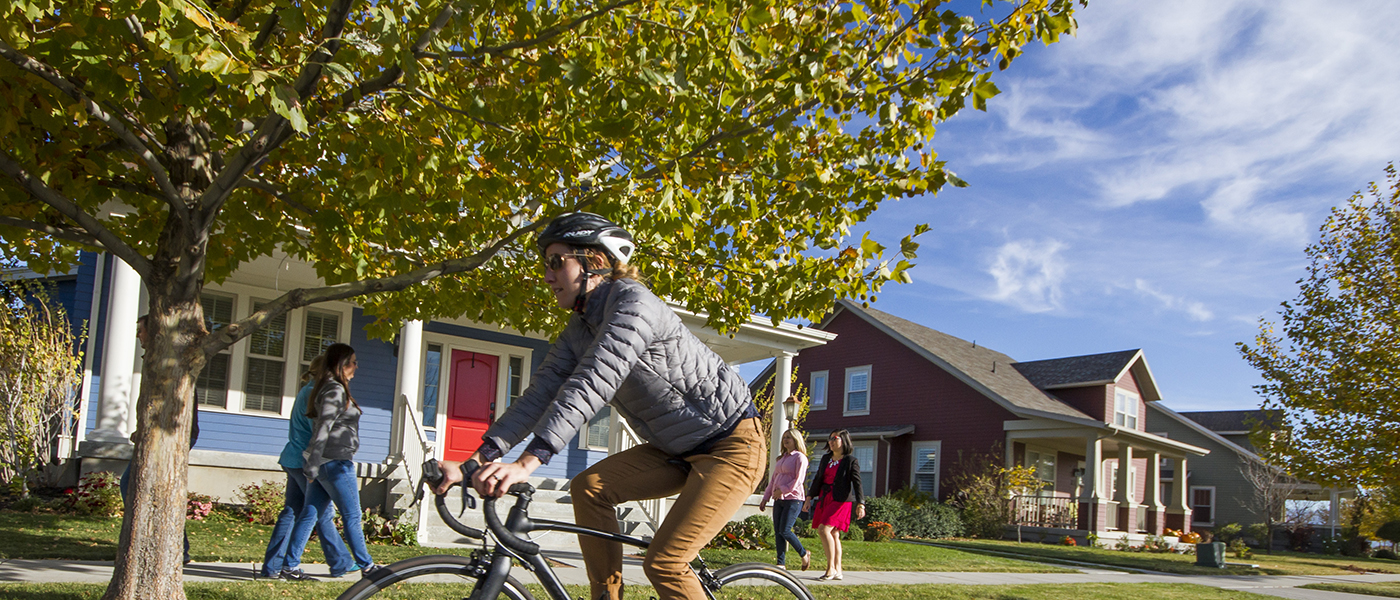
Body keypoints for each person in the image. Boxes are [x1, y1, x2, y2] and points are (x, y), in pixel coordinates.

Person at [434, 212, 766, 600]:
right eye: (546, 264)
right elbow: (538, 395)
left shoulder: (634, 304)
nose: (547, 276)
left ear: (594, 261)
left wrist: (527, 463)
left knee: (666, 562)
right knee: (588, 488)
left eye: (557, 262)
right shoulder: (580, 328)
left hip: (732, 445)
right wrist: (474, 460)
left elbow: (594, 380)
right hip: (674, 449)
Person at [283, 343, 381, 579]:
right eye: (353, 361)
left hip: (325, 462)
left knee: (310, 513)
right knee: (352, 515)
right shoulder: (335, 390)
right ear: (341, 364)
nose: (357, 366)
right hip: (335, 463)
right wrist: (313, 464)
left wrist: (314, 464)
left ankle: (290, 566)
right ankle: (367, 566)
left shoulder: (328, 388)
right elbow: (323, 428)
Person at [258, 354, 354, 581]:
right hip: (307, 462)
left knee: (292, 511)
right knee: (320, 512)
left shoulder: (308, 390)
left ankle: (273, 567)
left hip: (293, 458)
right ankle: (338, 562)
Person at [120, 314, 198, 565]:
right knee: (139, 487)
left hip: (169, 439)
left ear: (153, 333)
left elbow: (174, 408)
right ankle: (158, 543)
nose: (137, 336)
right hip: (154, 437)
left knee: (146, 488)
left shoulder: (170, 364)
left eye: (140, 330)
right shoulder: (155, 360)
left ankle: (176, 547)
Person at [804, 429, 864, 581]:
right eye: (829, 438)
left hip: (841, 501)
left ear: (844, 441)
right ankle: (838, 569)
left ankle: (830, 568)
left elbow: (857, 483)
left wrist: (860, 504)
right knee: (834, 534)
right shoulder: (826, 459)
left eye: (834, 438)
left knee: (824, 530)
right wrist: (809, 497)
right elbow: (818, 479)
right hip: (826, 498)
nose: (830, 441)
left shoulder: (850, 461)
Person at [759, 425, 811, 571]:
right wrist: (766, 497)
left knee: (785, 530)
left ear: (796, 440)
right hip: (778, 499)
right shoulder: (782, 458)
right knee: (778, 531)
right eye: (784, 438)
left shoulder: (800, 457)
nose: (785, 440)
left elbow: (799, 480)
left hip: (794, 499)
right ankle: (780, 564)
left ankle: (804, 554)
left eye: (788, 437)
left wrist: (783, 490)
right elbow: (774, 479)